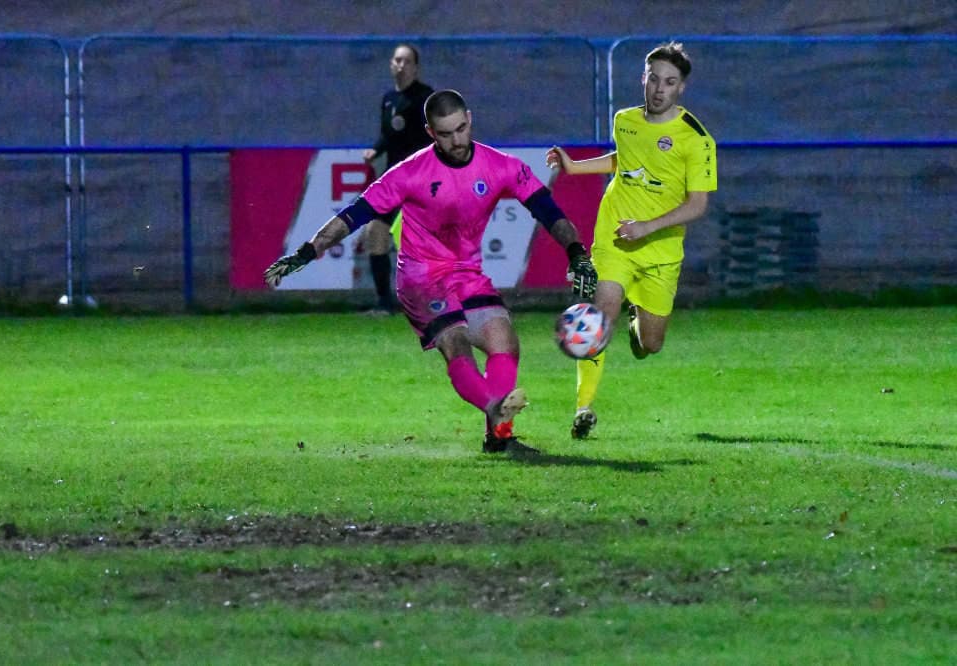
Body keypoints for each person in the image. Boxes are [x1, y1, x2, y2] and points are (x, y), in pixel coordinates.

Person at [266, 89, 597, 454]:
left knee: (505, 341)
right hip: (421, 279)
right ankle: (495, 410)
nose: (456, 140)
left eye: (461, 129)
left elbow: (548, 211)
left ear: (469, 119)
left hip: (466, 273)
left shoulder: (500, 165)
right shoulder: (410, 173)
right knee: (456, 342)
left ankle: (498, 436)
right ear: (430, 132)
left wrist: (576, 252)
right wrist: (307, 251)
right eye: (445, 134)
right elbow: (354, 215)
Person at [546, 41, 717, 440]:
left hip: (660, 250)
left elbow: (697, 205)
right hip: (616, 237)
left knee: (650, 345)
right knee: (600, 313)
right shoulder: (624, 119)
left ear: (681, 88)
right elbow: (623, 161)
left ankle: (636, 323)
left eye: (669, 82)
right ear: (643, 79)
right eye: (654, 79)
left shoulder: (696, 139)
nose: (659, 89)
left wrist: (647, 227)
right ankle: (584, 408)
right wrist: (574, 167)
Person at [358, 43, 434, 316]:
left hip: (420, 181)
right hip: (394, 180)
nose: (401, 65)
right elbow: (387, 135)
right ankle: (384, 303)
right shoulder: (389, 99)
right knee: (375, 232)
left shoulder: (426, 98)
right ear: (391, 65)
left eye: (407, 61)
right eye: (397, 60)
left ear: (416, 68)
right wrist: (375, 150)